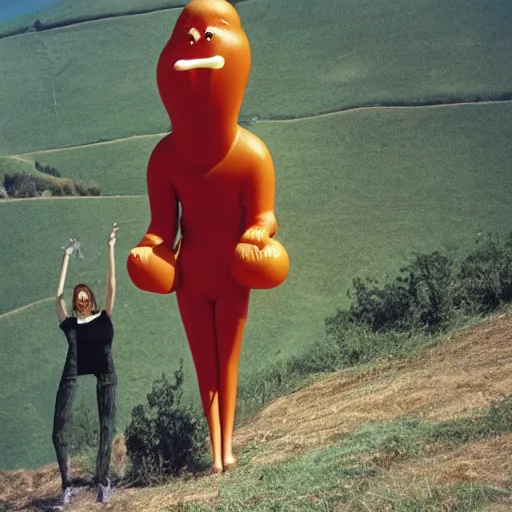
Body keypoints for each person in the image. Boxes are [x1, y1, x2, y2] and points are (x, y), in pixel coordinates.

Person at [52, 224, 118, 505]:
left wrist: (111, 248)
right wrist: (66, 257)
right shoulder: (70, 325)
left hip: (106, 373)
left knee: (107, 427)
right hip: (72, 372)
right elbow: (57, 297)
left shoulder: (104, 316)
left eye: (85, 296)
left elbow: (111, 285)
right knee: (58, 429)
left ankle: (102, 482)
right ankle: (67, 485)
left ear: (90, 299)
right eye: (77, 298)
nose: (81, 300)